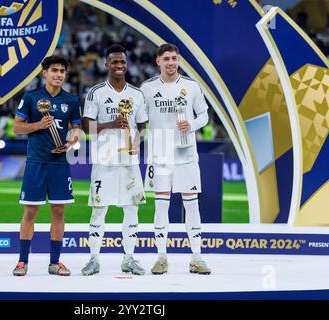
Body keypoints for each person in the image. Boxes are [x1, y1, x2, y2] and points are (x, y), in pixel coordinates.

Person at [141, 43, 211, 275]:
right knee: (161, 205)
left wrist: (191, 124)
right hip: (159, 155)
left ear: (178, 60)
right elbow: (140, 120)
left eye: (175, 58)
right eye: (167, 59)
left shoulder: (191, 87)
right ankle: (161, 257)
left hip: (186, 153)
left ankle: (197, 257)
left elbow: (204, 116)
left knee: (191, 205)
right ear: (158, 62)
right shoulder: (147, 88)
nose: (171, 62)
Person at [81, 44, 148, 276]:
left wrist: (137, 141)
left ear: (126, 65)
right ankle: (94, 259)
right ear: (106, 64)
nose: (119, 66)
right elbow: (86, 125)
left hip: (128, 162)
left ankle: (129, 258)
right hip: (104, 161)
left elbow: (142, 125)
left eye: (122, 62)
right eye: (114, 62)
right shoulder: (96, 92)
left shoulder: (137, 94)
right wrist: (110, 124)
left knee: (132, 210)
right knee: (99, 209)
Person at [12, 56, 81, 276]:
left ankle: (55, 262)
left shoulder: (71, 100)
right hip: (37, 162)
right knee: (30, 211)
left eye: (62, 71)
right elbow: (17, 128)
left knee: (59, 211)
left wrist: (73, 140)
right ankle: (22, 261)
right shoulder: (31, 97)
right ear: (44, 73)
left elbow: (77, 129)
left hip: (60, 163)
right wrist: (38, 125)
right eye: (54, 70)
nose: (59, 74)